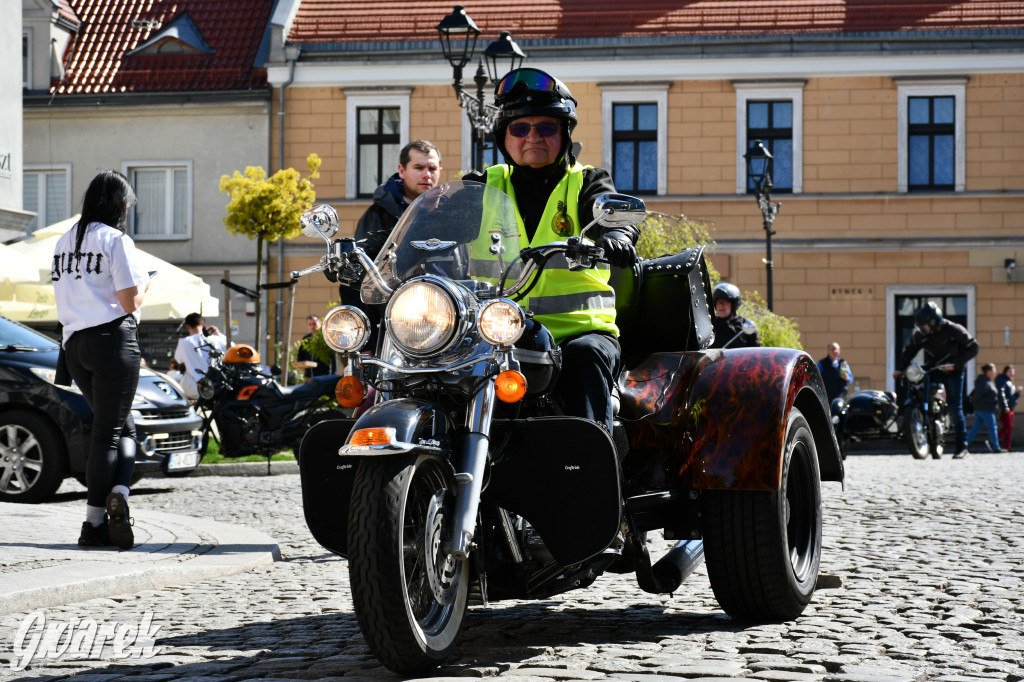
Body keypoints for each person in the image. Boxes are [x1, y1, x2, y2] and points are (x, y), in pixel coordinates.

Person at [462, 67, 638, 434]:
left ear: (564, 134)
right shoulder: (481, 185)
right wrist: (377, 247)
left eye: (546, 128)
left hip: (577, 333)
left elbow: (612, 214)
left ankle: (591, 470)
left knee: (584, 358)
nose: (532, 137)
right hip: (496, 334)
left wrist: (619, 235)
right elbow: (434, 225)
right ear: (504, 136)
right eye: (520, 128)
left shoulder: (586, 181)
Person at [52, 170, 151, 549]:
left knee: (120, 429)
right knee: (110, 435)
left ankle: (116, 501)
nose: (128, 207)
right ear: (118, 204)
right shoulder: (115, 240)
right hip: (112, 341)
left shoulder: (63, 241)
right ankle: (96, 521)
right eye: (127, 201)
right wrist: (146, 284)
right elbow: (129, 301)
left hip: (75, 345)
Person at [893, 302, 979, 459]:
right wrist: (899, 369)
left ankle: (962, 447)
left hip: (953, 371)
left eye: (924, 326)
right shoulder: (921, 335)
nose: (922, 330)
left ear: (933, 321)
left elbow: (973, 347)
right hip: (933, 367)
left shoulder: (954, 329)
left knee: (955, 406)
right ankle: (923, 414)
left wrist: (956, 363)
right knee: (917, 387)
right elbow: (909, 350)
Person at [354, 139, 443, 257]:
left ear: (440, 171)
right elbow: (362, 264)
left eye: (432, 169)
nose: (427, 175)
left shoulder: (448, 213)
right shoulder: (378, 215)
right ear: (401, 170)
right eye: (418, 168)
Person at [173, 312, 227, 399]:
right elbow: (230, 346)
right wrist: (218, 334)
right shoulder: (215, 339)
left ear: (188, 326)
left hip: (193, 387)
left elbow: (178, 360)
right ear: (202, 324)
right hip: (215, 386)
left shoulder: (184, 342)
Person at [963, 363, 1008, 456]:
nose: (995, 372)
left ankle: (964, 444)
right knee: (993, 427)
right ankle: (996, 447)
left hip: (984, 408)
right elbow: (978, 395)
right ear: (988, 372)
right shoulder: (984, 382)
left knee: (976, 428)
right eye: (993, 370)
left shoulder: (986, 381)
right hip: (985, 408)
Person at [708, 282, 761, 349]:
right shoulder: (710, 324)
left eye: (724, 302)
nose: (721, 305)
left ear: (734, 304)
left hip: (739, 359)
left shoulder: (746, 325)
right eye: (718, 302)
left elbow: (755, 352)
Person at [294, 314, 331, 378]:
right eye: (310, 324)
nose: (312, 326)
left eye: (314, 324)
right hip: (308, 375)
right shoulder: (306, 338)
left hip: (324, 375)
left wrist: (333, 375)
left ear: (320, 323)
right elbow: (300, 355)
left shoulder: (325, 338)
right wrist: (300, 364)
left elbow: (333, 358)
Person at [996, 365, 1019, 450]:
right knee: (1008, 427)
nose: (1012, 373)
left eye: (1013, 371)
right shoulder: (1002, 380)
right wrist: (1005, 406)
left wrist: (1018, 393)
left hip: (1011, 408)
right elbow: (1001, 394)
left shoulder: (1010, 381)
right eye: (1010, 371)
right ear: (1005, 371)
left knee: (1010, 428)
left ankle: (1007, 446)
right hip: (1005, 409)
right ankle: (994, 440)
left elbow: (1011, 396)